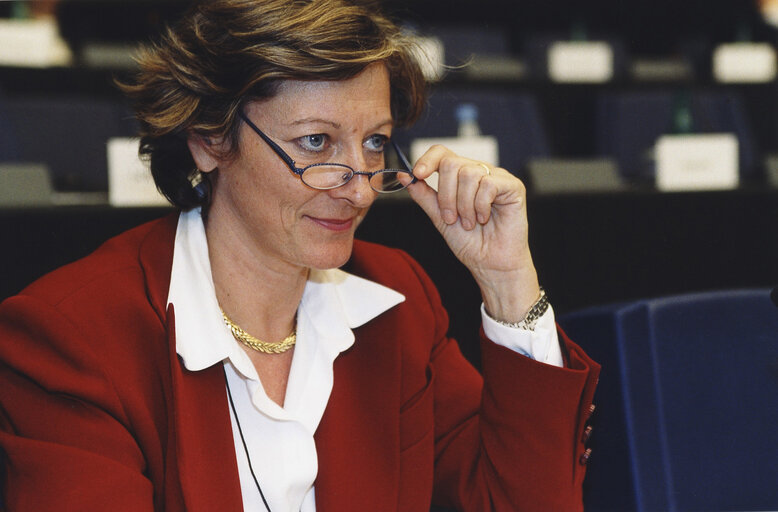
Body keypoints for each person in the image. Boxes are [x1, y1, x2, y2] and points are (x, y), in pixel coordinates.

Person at [0, 0, 599, 510]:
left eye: (374, 144)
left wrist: (508, 283)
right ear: (209, 139)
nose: (360, 186)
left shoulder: (398, 302)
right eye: (316, 142)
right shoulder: (74, 336)